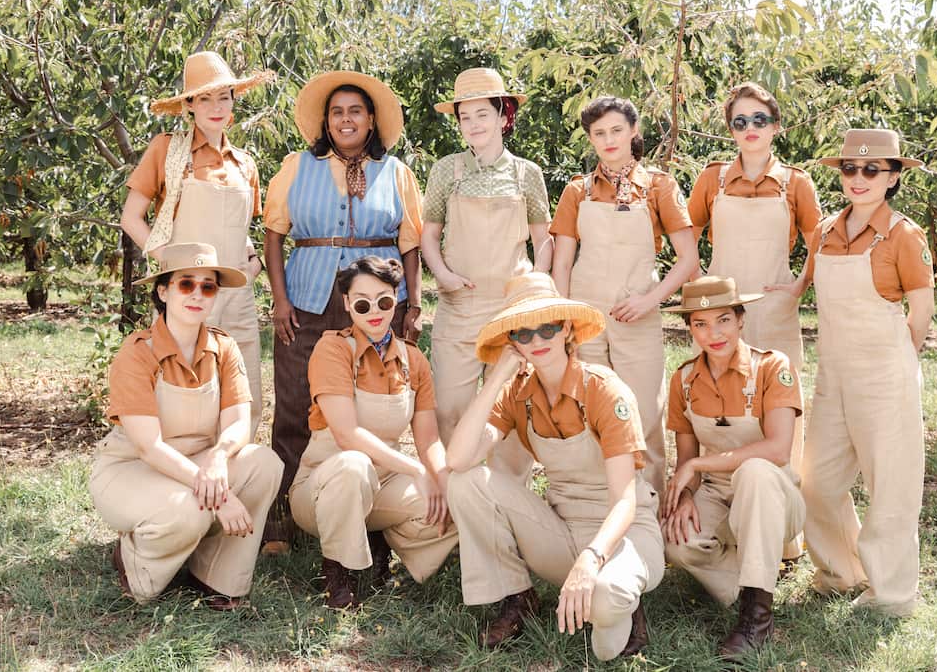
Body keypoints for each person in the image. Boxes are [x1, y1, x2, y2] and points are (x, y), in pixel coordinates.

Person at [446, 272, 663, 661]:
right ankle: (518, 598)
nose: (537, 341)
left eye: (547, 327)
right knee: (465, 482)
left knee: (606, 614)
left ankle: (623, 597)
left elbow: (625, 502)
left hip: (624, 532)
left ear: (566, 329)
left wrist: (591, 558)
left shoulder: (603, 389)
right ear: (512, 342)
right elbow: (458, 459)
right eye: (523, 333)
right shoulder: (517, 393)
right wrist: (497, 377)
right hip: (562, 530)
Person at [770, 128, 934, 617]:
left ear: (893, 177)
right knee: (816, 480)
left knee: (891, 487)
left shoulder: (905, 235)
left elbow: (921, 312)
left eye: (871, 170)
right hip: (833, 373)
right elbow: (801, 287)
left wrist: (897, 364)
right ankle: (841, 572)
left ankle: (891, 594)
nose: (858, 179)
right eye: (849, 169)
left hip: (886, 373)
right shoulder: (824, 230)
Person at [261, 70, 423, 553]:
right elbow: (274, 234)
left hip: (376, 305)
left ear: (371, 120)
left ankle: (369, 511)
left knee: (372, 404)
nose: (345, 119)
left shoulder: (396, 172)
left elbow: (410, 242)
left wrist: (412, 304)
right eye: (337, 112)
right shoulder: (297, 165)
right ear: (326, 122)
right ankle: (283, 517)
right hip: (309, 297)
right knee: (294, 402)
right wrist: (281, 299)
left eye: (355, 111)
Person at [89, 242, 282, 610]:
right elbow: (148, 446)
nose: (197, 294)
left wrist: (220, 457)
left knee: (264, 464)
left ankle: (215, 576)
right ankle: (134, 566)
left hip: (200, 461)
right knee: (190, 509)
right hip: (134, 468)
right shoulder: (138, 353)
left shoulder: (224, 348)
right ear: (163, 291)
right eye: (185, 284)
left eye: (207, 286)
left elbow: (239, 423)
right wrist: (220, 495)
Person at [685, 81, 820, 562]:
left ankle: (784, 542)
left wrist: (799, 286)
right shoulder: (713, 179)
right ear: (730, 129)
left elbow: (817, 240)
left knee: (780, 418)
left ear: (776, 126)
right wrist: (700, 282)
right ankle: (729, 522)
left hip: (774, 310)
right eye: (739, 122)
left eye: (759, 120)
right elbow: (688, 233)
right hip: (721, 317)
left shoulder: (796, 182)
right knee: (729, 410)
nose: (749, 130)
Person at [550, 96, 699, 494]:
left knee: (644, 412)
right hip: (585, 317)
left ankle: (647, 505)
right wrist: (565, 320)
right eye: (599, 133)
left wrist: (649, 301)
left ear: (633, 131)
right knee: (590, 407)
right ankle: (598, 501)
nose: (609, 139)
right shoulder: (576, 191)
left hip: (639, 313)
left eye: (617, 130)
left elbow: (688, 259)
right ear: (590, 140)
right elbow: (561, 264)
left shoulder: (658, 187)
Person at [290, 256, 458, 607]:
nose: (374, 312)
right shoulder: (332, 349)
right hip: (323, 489)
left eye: (383, 301)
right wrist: (416, 470)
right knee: (353, 464)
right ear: (347, 304)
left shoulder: (414, 360)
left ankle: (384, 542)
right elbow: (347, 435)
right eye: (362, 304)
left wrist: (442, 480)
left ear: (396, 297)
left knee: (458, 497)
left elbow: (427, 439)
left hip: (384, 485)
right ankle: (337, 572)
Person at [121, 51, 272, 439]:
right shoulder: (167, 151)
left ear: (235, 101)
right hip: (188, 293)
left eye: (224, 97)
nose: (216, 107)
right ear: (188, 104)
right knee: (187, 394)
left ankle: (239, 483)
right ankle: (186, 485)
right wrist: (172, 266)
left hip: (236, 296)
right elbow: (131, 219)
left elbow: (243, 229)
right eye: (204, 98)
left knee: (245, 395)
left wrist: (252, 268)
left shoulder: (245, 164)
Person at [659, 277, 804, 660]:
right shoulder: (684, 381)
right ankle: (751, 583)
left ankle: (756, 618)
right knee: (675, 539)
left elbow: (778, 449)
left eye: (723, 320)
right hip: (717, 493)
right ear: (689, 329)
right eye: (700, 324)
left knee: (755, 471)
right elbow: (685, 454)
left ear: (741, 320)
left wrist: (699, 465)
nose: (713, 333)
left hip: (773, 492)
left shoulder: (771, 367)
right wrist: (686, 494)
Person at [421, 67, 551, 477]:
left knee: (511, 407)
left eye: (482, 114)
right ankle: (459, 497)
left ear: (502, 115)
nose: (473, 124)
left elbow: (542, 241)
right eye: (465, 117)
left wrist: (533, 292)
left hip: (510, 308)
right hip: (459, 304)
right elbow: (428, 237)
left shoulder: (526, 173)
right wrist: (442, 274)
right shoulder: (446, 170)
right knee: (450, 409)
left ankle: (508, 500)